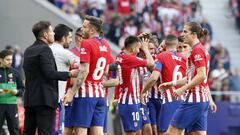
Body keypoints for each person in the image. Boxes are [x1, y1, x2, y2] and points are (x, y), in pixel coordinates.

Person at [159, 22, 216, 135]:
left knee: (171, 132)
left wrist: (182, 89)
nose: (182, 34)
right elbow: (193, 77)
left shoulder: (197, 50)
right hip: (202, 100)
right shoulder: (201, 49)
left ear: (194, 34)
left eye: (185, 31)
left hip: (193, 100)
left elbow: (202, 75)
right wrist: (172, 83)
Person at [23, 21, 78, 135]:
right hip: (45, 100)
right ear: (45, 35)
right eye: (52, 31)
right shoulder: (45, 49)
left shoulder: (28, 50)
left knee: (28, 132)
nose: (54, 33)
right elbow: (49, 73)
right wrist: (69, 74)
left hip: (30, 99)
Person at [63, 15, 112, 135]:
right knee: (98, 131)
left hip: (86, 95)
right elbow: (105, 71)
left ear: (92, 30)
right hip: (100, 94)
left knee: (81, 130)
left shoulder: (87, 43)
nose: (81, 29)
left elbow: (84, 71)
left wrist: (71, 92)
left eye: (84, 27)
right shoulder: (106, 45)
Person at [141, 35, 186, 135]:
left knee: (163, 132)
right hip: (183, 102)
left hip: (169, 101)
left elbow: (153, 78)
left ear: (165, 45)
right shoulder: (184, 58)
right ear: (177, 45)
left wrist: (143, 91)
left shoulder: (161, 56)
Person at [115, 36, 154, 135]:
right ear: (132, 49)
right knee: (132, 133)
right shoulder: (129, 59)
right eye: (138, 48)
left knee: (139, 131)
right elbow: (151, 63)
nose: (139, 50)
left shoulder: (122, 56)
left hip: (135, 101)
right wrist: (145, 48)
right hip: (129, 102)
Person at [50, 24, 80, 135]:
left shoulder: (46, 49)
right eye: (70, 37)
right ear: (63, 38)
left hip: (43, 98)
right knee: (56, 131)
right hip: (57, 98)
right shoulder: (65, 53)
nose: (71, 40)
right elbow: (84, 67)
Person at [0, 49, 24, 135]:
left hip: (12, 106)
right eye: (7, 59)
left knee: (14, 130)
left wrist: (17, 92)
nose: (10, 62)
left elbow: (22, 89)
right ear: (1, 59)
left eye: (11, 59)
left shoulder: (15, 73)